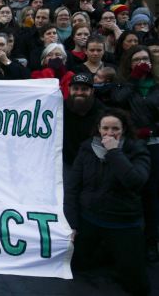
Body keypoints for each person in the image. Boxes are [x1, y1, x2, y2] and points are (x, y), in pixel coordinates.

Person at [64, 108, 150, 295]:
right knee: (76, 265)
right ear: (98, 129)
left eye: (115, 129)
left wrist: (113, 152)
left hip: (123, 223)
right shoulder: (87, 148)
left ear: (124, 130)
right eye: (105, 128)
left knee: (137, 285)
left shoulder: (136, 150)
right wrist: (72, 224)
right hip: (90, 219)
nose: (110, 133)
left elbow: (135, 181)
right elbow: (72, 187)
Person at [111, 45, 159, 263]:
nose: (142, 63)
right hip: (130, 145)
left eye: (145, 59)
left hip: (153, 144)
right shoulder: (124, 83)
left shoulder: (156, 85)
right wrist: (133, 79)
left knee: (151, 195)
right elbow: (118, 100)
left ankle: (151, 242)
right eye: (137, 59)